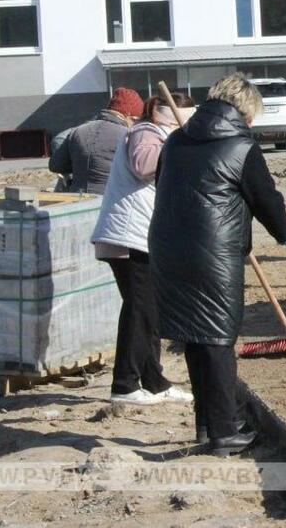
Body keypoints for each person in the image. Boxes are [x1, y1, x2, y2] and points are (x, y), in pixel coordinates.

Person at [148, 73, 286, 456]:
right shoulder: (242, 147)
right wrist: (284, 234)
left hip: (168, 246)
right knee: (218, 338)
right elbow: (266, 199)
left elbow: (162, 182)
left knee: (194, 335)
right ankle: (224, 432)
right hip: (212, 254)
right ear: (245, 110)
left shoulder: (175, 140)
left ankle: (206, 424)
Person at [91, 92, 197, 406]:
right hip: (131, 237)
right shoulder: (145, 132)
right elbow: (143, 164)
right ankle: (124, 385)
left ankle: (154, 381)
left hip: (141, 235)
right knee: (141, 310)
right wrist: (178, 147)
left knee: (149, 311)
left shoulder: (161, 134)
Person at [49, 87, 144, 194]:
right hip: (113, 201)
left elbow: (56, 165)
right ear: (127, 114)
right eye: (135, 120)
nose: (135, 125)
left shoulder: (78, 131)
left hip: (78, 200)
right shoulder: (128, 136)